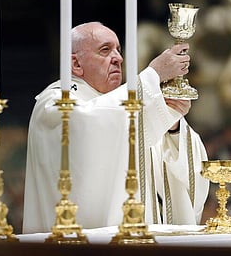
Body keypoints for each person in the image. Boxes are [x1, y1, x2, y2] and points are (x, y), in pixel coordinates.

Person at [22, 21, 209, 234]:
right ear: (76, 65)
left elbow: (187, 170)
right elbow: (89, 132)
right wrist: (153, 75)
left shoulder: (126, 103)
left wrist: (171, 124)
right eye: (105, 50)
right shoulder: (55, 102)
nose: (118, 58)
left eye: (119, 51)